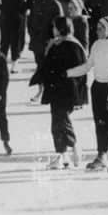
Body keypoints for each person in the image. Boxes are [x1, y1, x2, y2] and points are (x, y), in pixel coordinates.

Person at [66, 16, 108, 173]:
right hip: (97, 88)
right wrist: (68, 73)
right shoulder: (97, 44)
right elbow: (87, 66)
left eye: (101, 28)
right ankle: (102, 156)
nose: (97, 30)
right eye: (97, 28)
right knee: (100, 123)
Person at [29, 16, 88, 169]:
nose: (53, 29)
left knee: (62, 119)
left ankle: (74, 146)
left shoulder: (73, 45)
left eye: (55, 27)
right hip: (56, 90)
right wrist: (38, 78)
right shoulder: (55, 44)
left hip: (68, 90)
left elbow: (80, 70)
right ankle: (62, 156)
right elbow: (47, 64)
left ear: (62, 28)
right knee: (57, 122)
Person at [26, 0, 61, 103]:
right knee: (39, 65)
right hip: (37, 41)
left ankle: (47, 92)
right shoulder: (36, 3)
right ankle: (41, 91)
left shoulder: (55, 5)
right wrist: (31, 32)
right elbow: (29, 20)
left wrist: (53, 39)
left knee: (47, 67)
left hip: (49, 42)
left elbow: (60, 24)